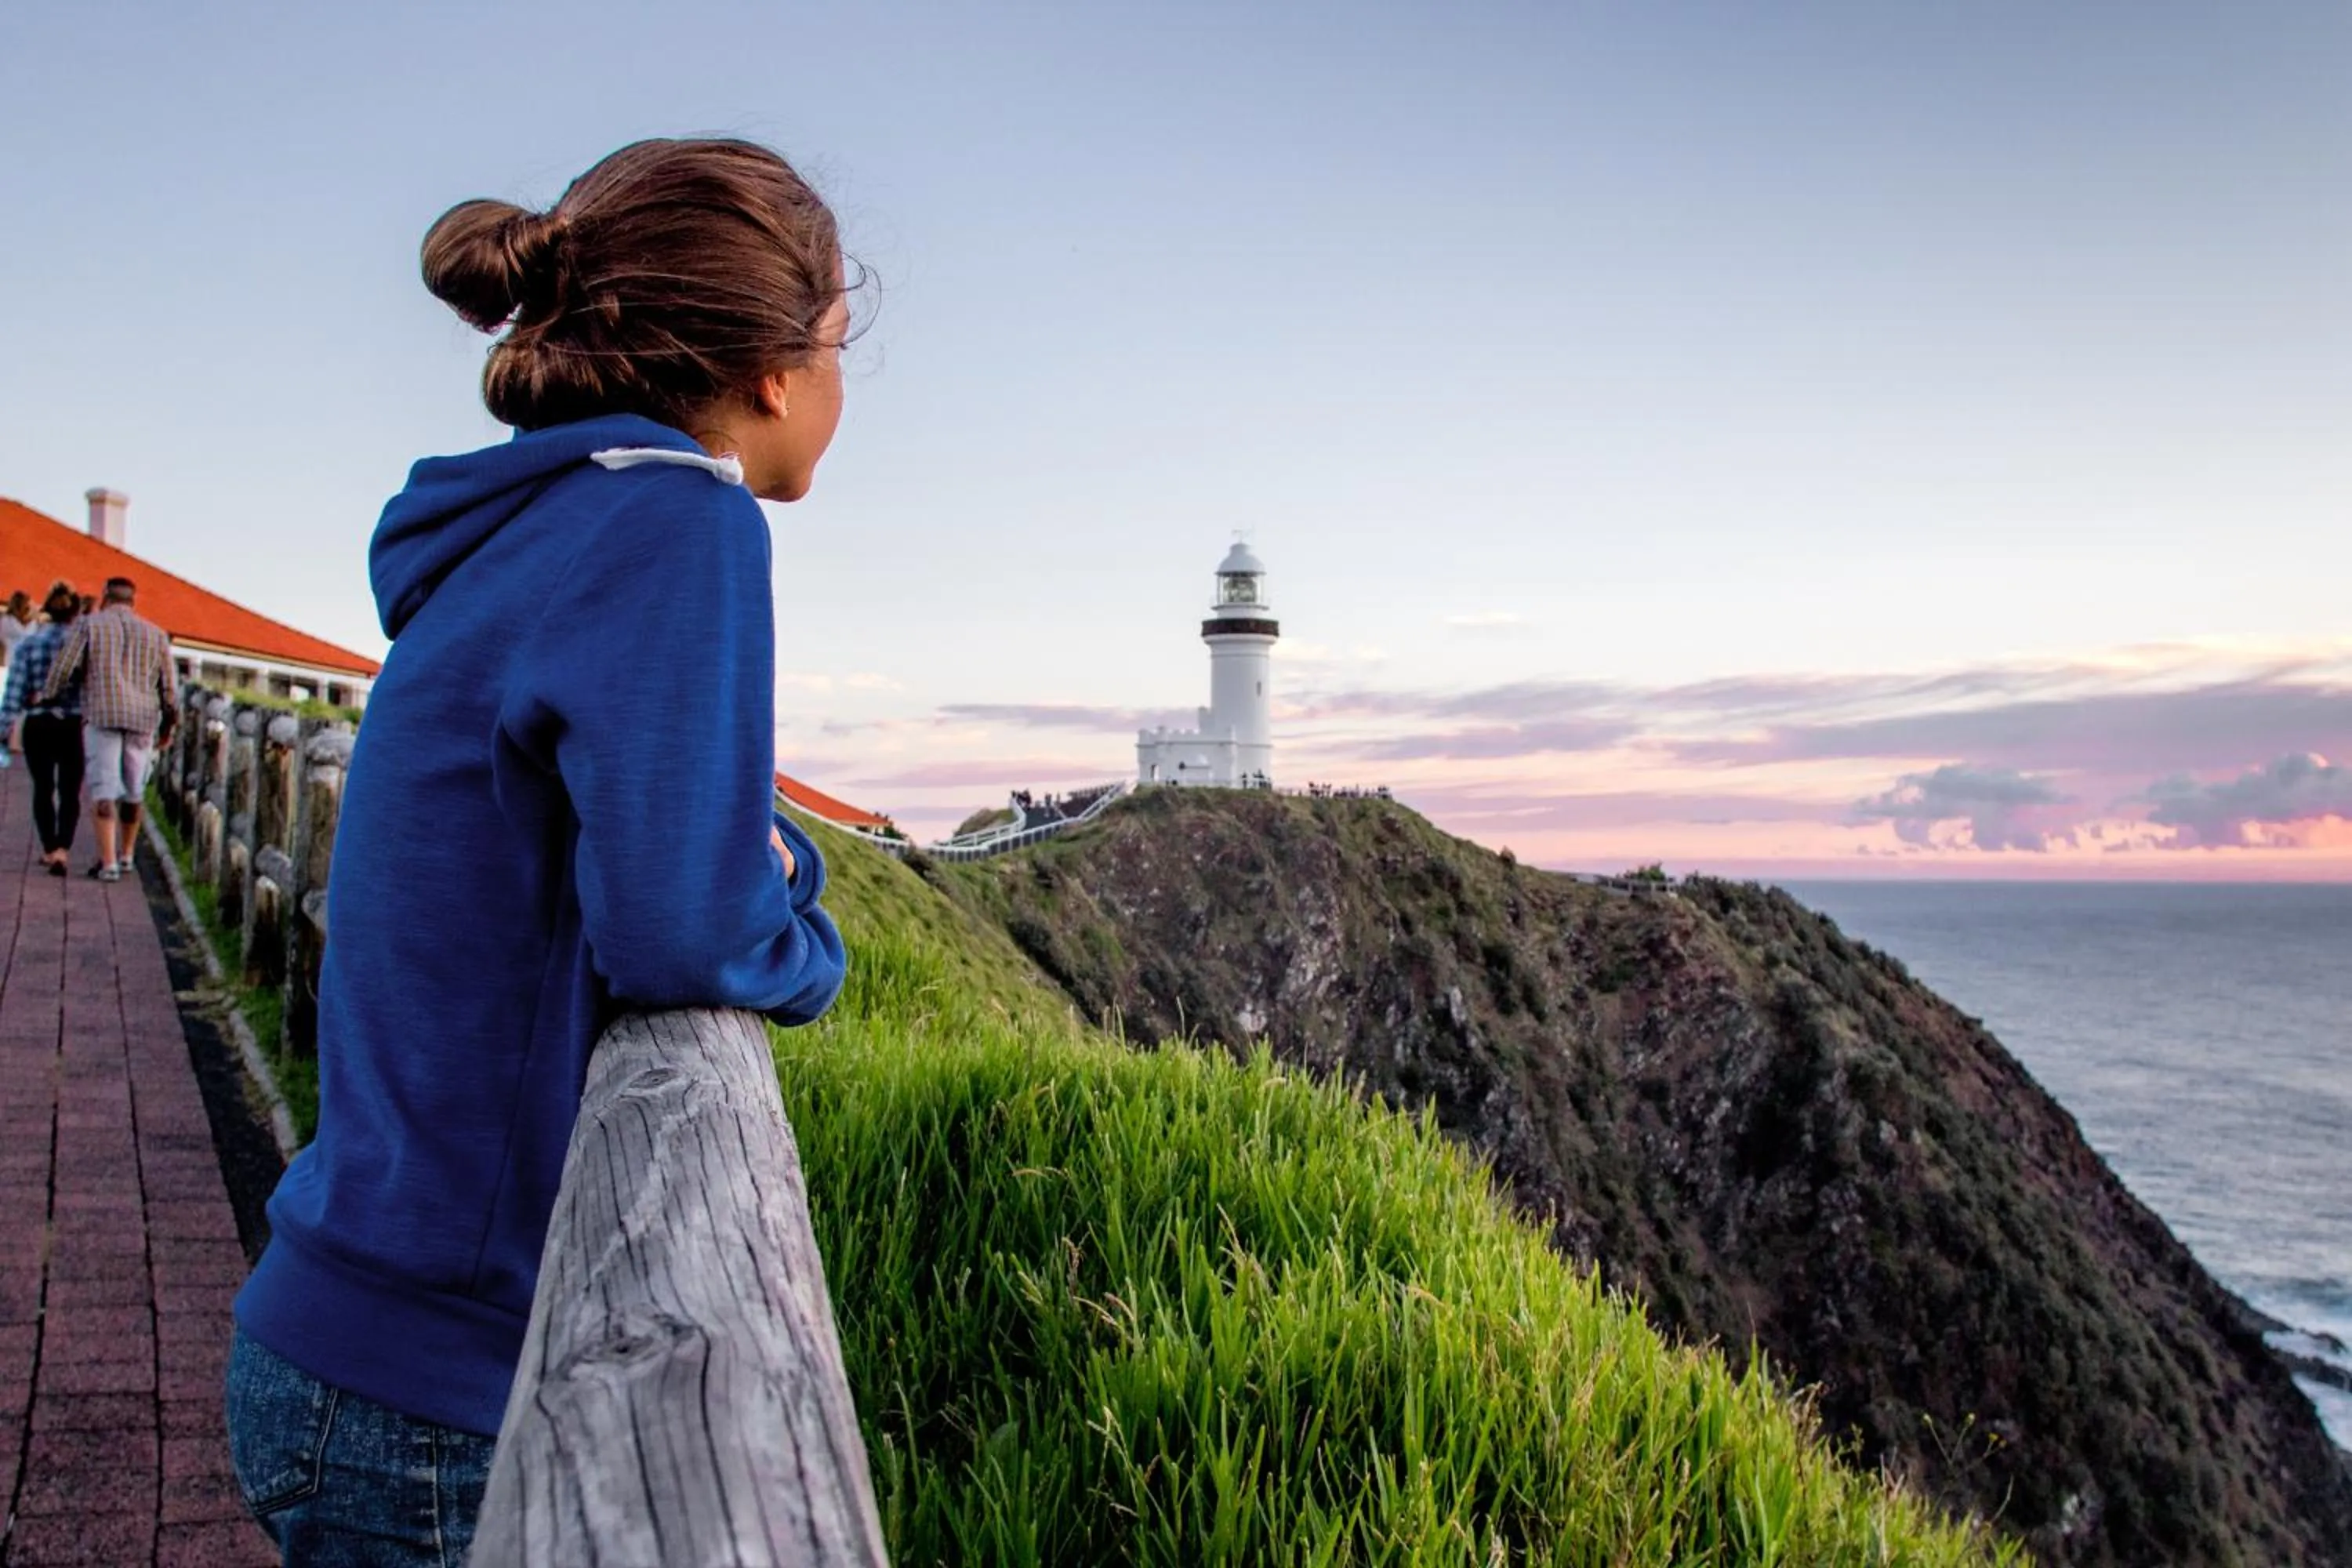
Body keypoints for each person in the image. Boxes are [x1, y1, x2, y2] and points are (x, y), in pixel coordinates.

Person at [225, 138, 852, 1566]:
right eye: (836, 346)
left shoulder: (523, 522)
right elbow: (689, 929)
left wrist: (763, 870)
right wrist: (813, 947)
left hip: (337, 1317)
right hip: (436, 1394)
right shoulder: (681, 518)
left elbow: (679, 847)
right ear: (774, 368)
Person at [41, 575, 175, 880]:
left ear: (105, 597)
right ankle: (127, 854)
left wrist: (50, 694)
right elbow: (168, 687)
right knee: (134, 791)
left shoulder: (90, 626)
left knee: (104, 789)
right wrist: (168, 724)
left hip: (103, 715)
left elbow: (65, 666)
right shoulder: (156, 634)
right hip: (142, 719)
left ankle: (108, 862)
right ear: (133, 601)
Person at [1, 583, 86, 871]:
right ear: (76, 612)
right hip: (73, 724)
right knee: (71, 789)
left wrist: (4, 727)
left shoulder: (29, 644)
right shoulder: (82, 645)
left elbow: (15, 691)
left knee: (43, 787)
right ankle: (63, 847)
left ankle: (49, 847)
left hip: (39, 723)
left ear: (47, 609)